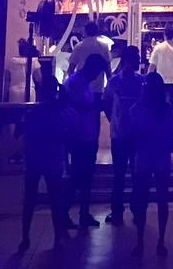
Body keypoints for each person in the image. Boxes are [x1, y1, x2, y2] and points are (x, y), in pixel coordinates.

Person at [18, 74, 70, 252]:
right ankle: (57, 237)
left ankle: (25, 237)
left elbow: (22, 134)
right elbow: (66, 136)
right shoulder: (60, 113)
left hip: (35, 158)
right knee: (55, 198)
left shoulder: (32, 113)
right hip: (52, 158)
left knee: (30, 199)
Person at [129, 72, 173, 256]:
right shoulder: (168, 110)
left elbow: (134, 131)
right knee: (162, 199)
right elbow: (170, 132)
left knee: (142, 200)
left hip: (143, 156)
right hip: (161, 157)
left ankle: (140, 241)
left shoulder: (137, 109)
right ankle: (161, 240)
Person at [62, 53, 108, 229]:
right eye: (98, 71)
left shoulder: (83, 83)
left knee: (85, 176)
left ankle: (82, 212)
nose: (98, 76)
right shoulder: (75, 83)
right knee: (77, 176)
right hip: (79, 136)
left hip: (87, 135)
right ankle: (65, 213)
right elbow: (73, 107)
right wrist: (95, 106)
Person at [103, 48, 144, 224]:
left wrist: (114, 120)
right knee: (129, 174)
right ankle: (130, 209)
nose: (139, 61)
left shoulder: (117, 82)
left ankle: (121, 211)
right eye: (136, 58)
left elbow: (106, 103)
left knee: (123, 174)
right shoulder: (140, 82)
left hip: (125, 133)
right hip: (127, 133)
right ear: (128, 60)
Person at [68, 21, 113, 89]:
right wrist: (109, 88)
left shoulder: (79, 47)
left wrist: (73, 86)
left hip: (82, 87)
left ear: (85, 31)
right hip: (98, 86)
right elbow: (108, 70)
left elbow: (71, 69)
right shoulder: (104, 47)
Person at [148, 28, 173, 96]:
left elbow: (152, 67)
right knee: (172, 102)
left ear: (164, 35)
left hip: (160, 82)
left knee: (160, 102)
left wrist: (148, 82)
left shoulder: (158, 48)